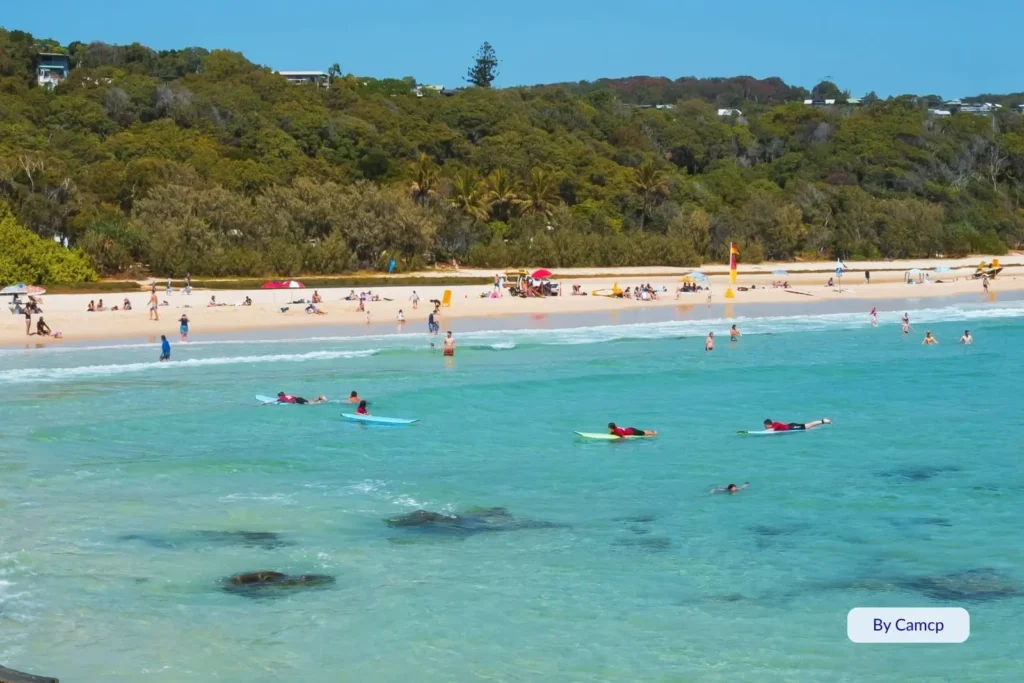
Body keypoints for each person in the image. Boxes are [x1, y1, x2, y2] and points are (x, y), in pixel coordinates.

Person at [762, 417, 832, 432]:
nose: (765, 427)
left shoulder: (775, 424)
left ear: (768, 424)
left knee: (808, 425)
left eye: (765, 425)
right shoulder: (774, 425)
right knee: (808, 427)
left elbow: (772, 430)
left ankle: (823, 421)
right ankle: (822, 422)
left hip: (792, 427)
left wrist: (763, 432)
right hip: (791, 426)